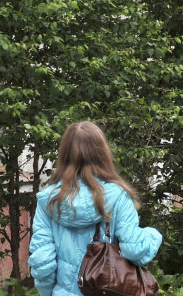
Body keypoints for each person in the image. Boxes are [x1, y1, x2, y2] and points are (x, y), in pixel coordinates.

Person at [29, 121, 162, 296]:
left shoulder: (49, 201)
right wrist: (153, 236)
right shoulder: (118, 197)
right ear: (102, 153)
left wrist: (51, 292)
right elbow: (136, 250)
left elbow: (42, 262)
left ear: (65, 154)